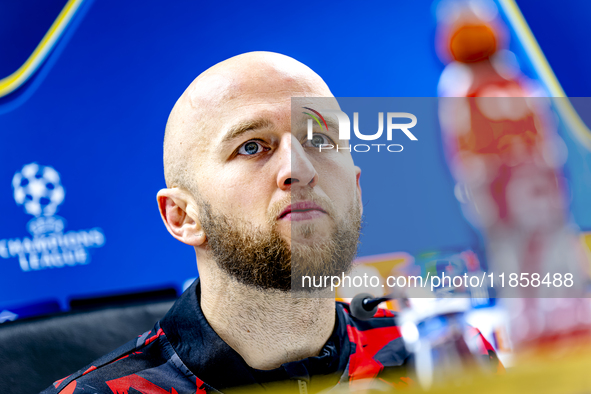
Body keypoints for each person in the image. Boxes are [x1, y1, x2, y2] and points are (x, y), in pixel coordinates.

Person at [42, 52, 500, 394]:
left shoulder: (444, 358)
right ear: (182, 217)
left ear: (356, 190)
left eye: (320, 138)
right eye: (252, 146)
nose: (300, 168)